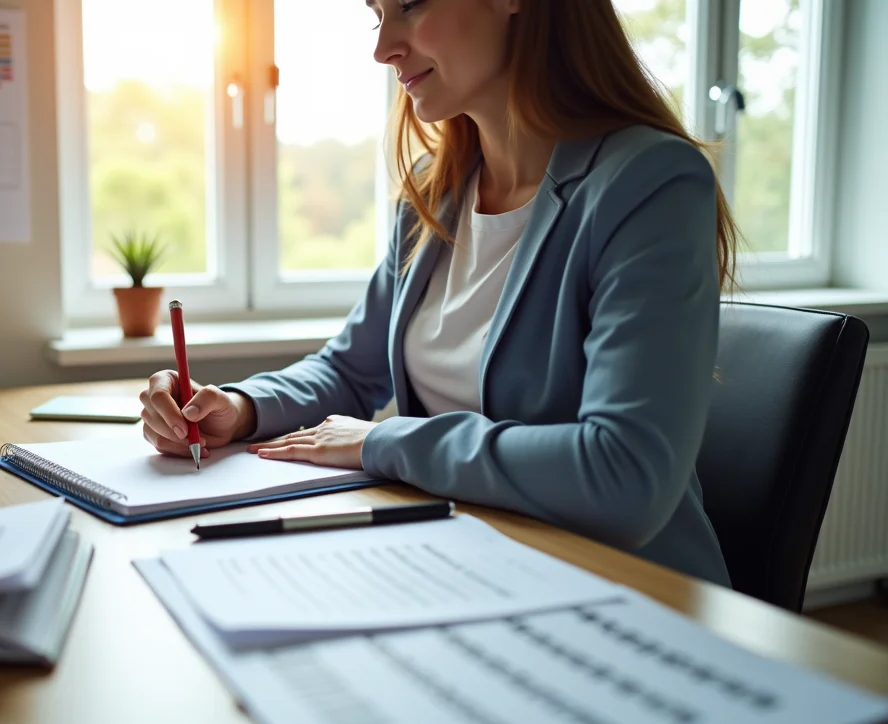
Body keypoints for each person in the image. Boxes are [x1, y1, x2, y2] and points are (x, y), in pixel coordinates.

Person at [139, 0, 739, 587]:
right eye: (376, 16)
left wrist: (383, 440)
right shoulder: (437, 191)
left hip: (626, 592)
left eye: (410, 5)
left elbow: (624, 474)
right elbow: (349, 370)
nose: (382, 48)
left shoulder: (648, 181)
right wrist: (239, 409)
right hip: (470, 569)